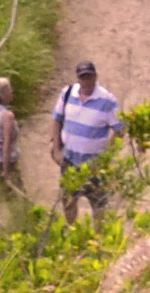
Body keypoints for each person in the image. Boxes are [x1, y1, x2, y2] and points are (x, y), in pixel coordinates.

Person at [52, 60, 123, 222]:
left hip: (94, 166)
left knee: (98, 205)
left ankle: (98, 242)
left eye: (89, 77)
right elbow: (56, 120)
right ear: (78, 78)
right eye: (83, 77)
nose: (87, 81)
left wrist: (105, 157)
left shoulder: (107, 101)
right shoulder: (68, 93)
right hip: (69, 161)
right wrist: (56, 150)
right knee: (69, 202)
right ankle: (73, 234)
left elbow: (120, 130)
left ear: (96, 76)